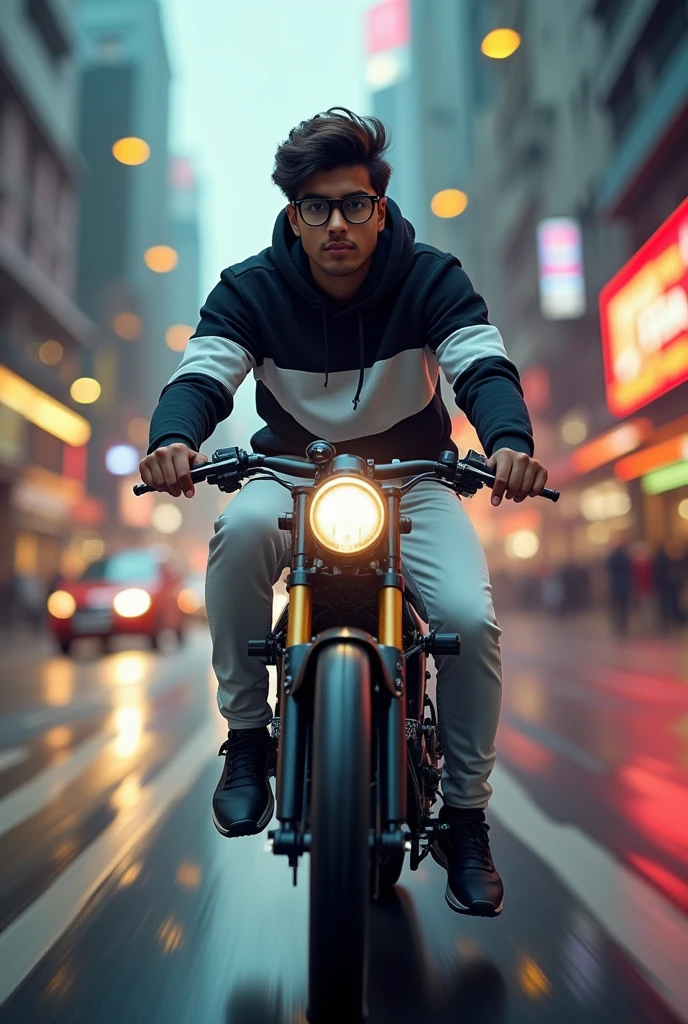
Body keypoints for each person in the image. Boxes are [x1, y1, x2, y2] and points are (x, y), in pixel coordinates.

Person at [139, 109, 549, 918]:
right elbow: (202, 375)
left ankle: (466, 817)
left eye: (354, 204)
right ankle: (249, 738)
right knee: (238, 530)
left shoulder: (432, 277)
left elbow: (481, 363)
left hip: (416, 479)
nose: (337, 224)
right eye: (317, 206)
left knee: (471, 616)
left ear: (382, 209)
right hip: (288, 472)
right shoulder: (247, 288)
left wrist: (508, 442)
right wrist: (172, 441)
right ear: (294, 214)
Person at [606, 537, 633, 635]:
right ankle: (623, 623)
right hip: (624, 584)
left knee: (616, 605)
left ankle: (617, 622)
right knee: (623, 606)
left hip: (615, 584)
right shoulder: (625, 556)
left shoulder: (612, 556)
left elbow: (608, 569)